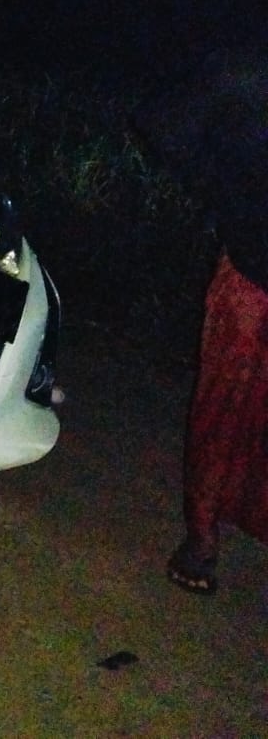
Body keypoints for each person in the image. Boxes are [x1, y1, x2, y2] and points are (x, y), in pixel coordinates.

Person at [133, 41, 268, 595]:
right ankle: (203, 537)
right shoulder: (248, 72)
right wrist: (226, 194)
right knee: (223, 409)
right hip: (253, 273)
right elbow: (160, 123)